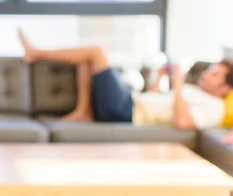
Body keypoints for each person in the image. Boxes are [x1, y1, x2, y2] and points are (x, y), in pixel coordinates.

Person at [18, 29, 233, 129]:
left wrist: (177, 85)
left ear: (225, 88)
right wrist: (159, 80)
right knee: (85, 60)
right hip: (130, 104)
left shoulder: (215, 108)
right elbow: (155, 103)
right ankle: (83, 112)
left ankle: (36, 52)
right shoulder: (196, 92)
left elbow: (182, 122)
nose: (205, 74)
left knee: (96, 52)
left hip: (126, 112)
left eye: (214, 74)